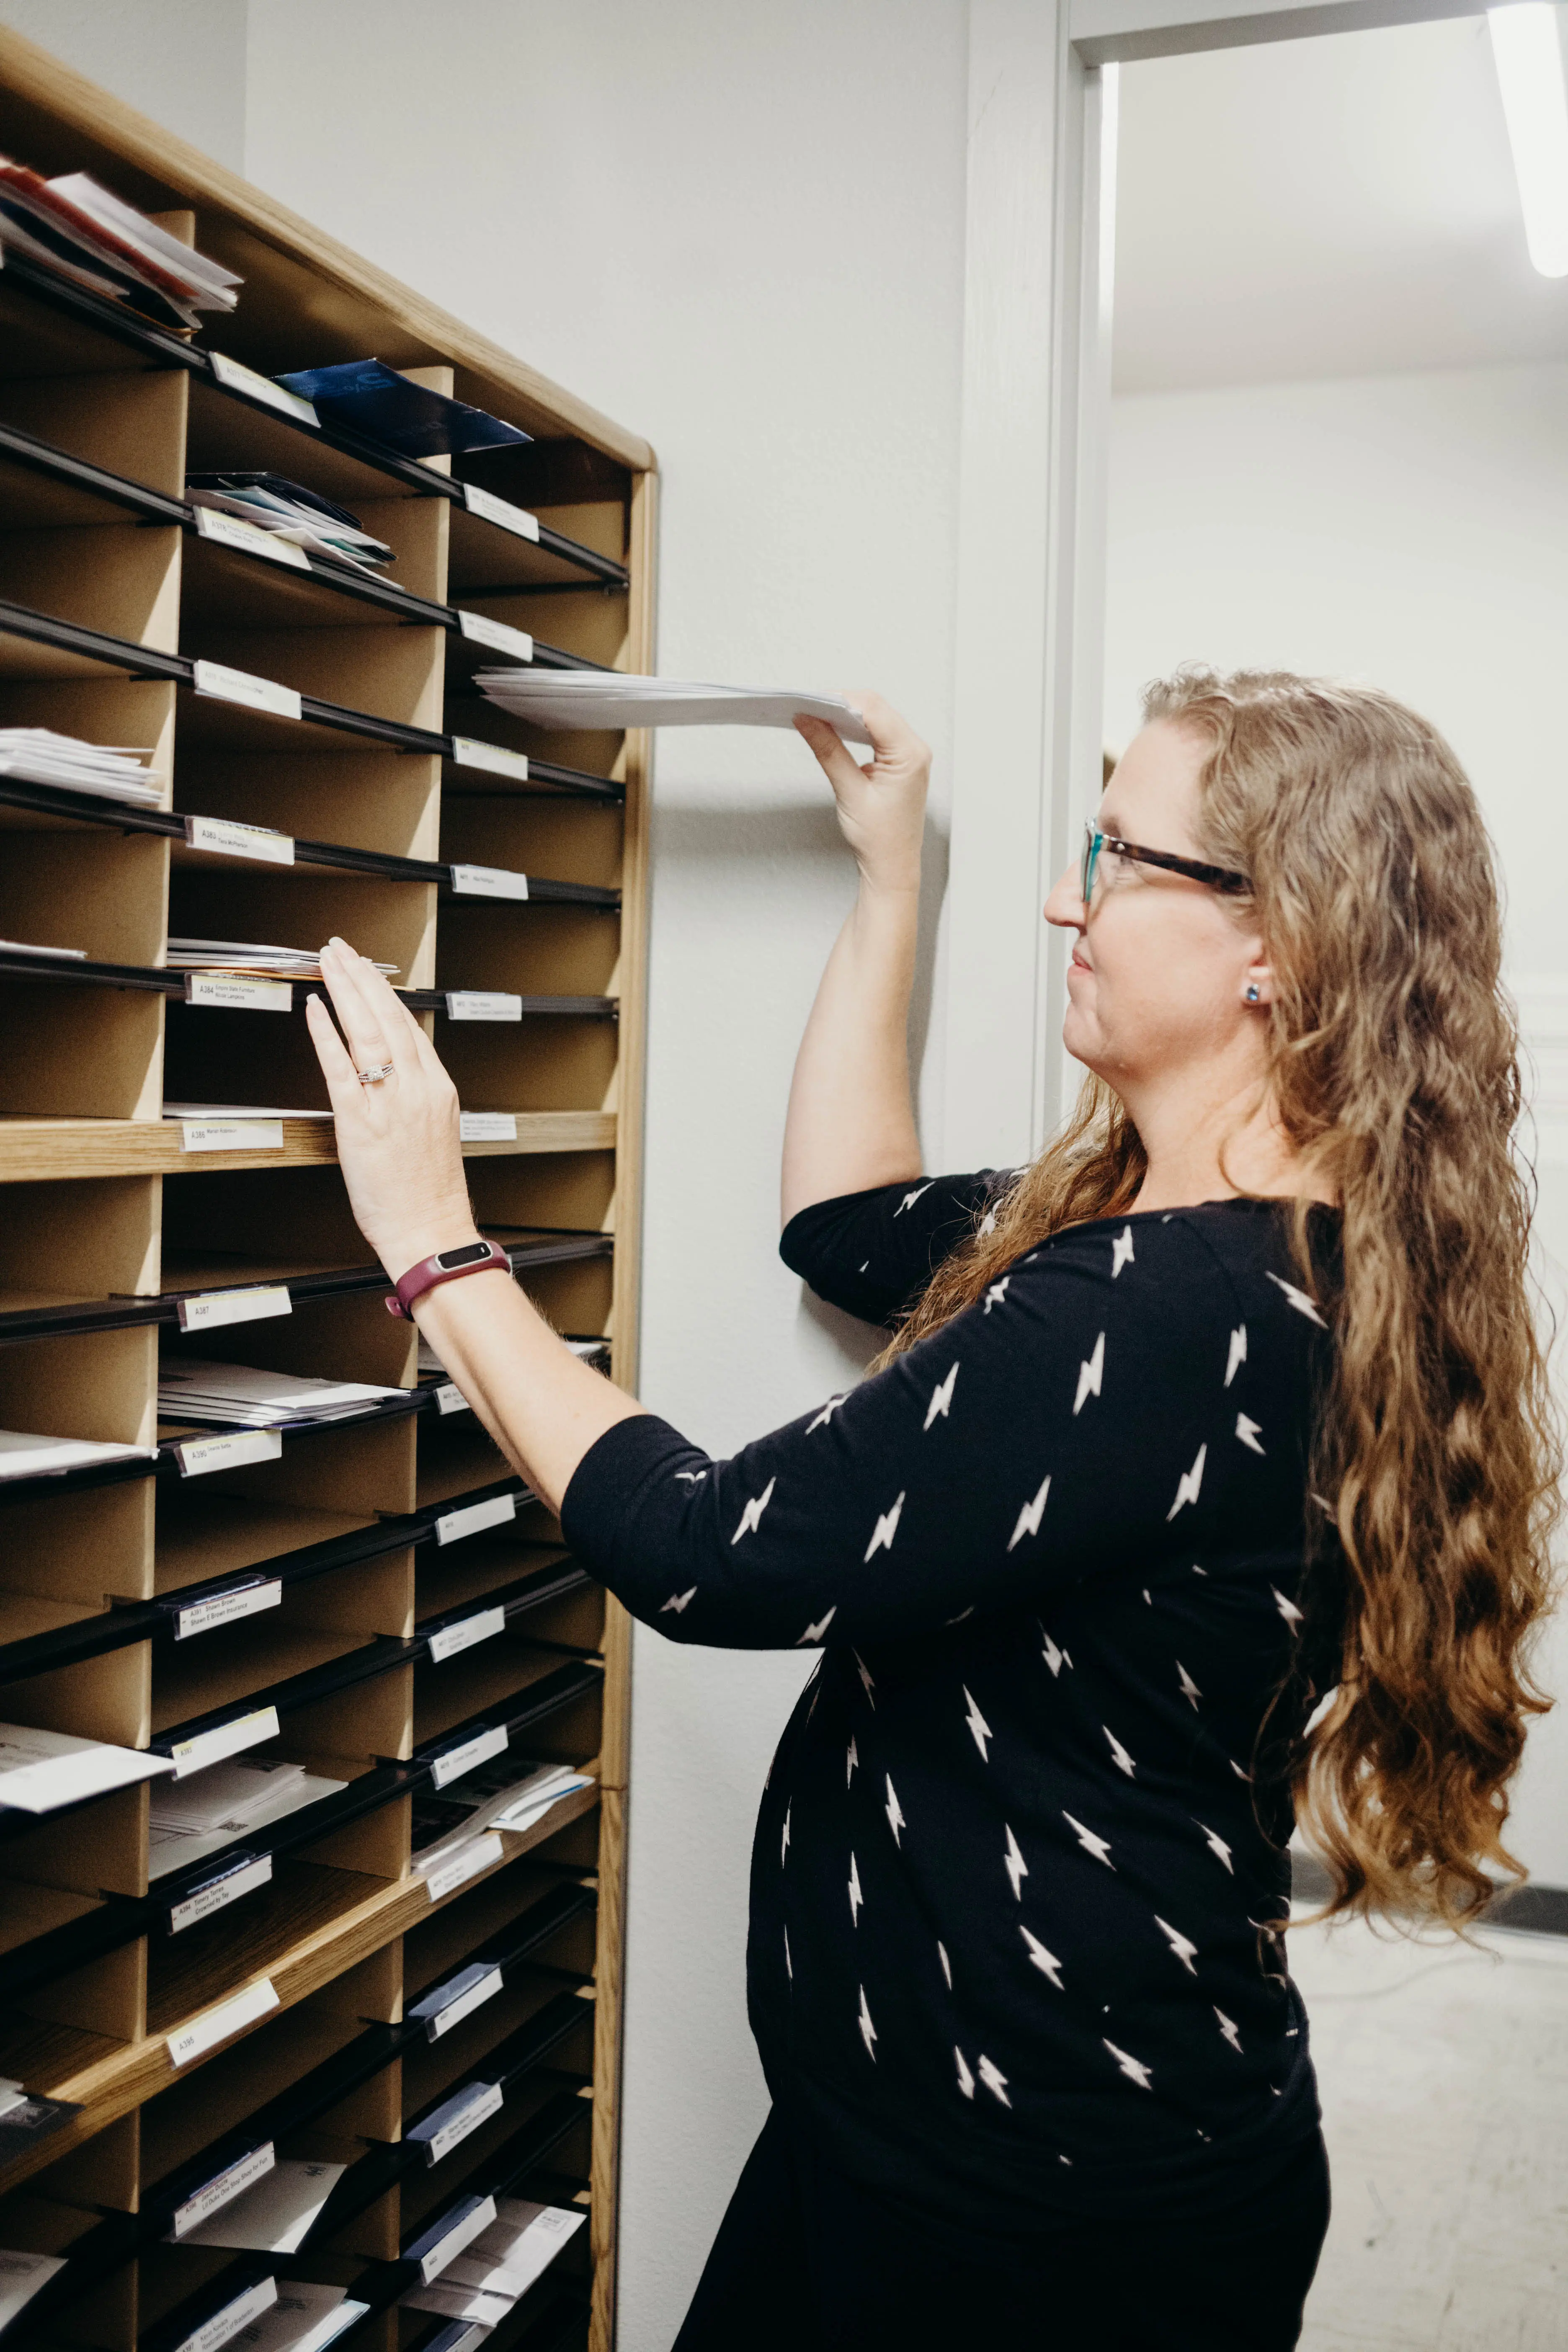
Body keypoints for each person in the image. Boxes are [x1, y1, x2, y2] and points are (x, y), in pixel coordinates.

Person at [306, 666, 1558, 2352]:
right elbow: (848, 1223)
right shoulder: (1217, 1248)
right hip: (966, 2140)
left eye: (1120, 857)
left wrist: (435, 1245)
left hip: (1031, 2212)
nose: (1069, 897)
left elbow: (706, 1548)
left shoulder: (1161, 1312)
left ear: (1280, 942)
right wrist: (888, 875)